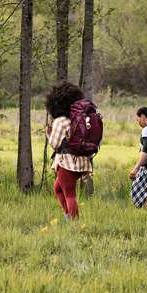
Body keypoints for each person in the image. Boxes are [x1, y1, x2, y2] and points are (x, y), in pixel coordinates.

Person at [45, 81, 93, 220]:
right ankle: (69, 217)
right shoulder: (80, 119)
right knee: (58, 189)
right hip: (82, 162)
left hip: (67, 163)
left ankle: (73, 222)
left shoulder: (60, 121)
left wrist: (48, 134)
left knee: (70, 194)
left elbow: (54, 144)